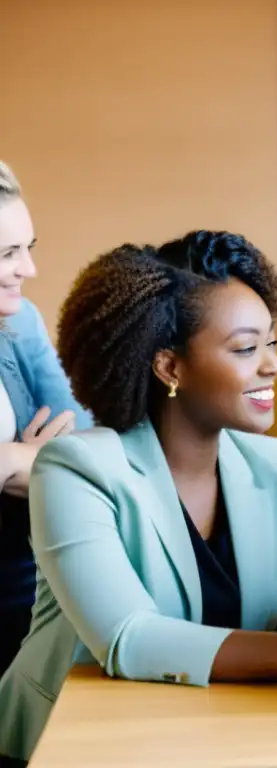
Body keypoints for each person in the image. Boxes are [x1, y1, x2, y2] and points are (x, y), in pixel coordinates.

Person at [0, 232, 277, 765]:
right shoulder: (77, 469)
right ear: (170, 367)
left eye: (271, 344)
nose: (273, 365)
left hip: (217, 735)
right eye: (245, 348)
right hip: (76, 745)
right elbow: (128, 638)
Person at [0, 161, 90, 679]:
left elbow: (83, 445)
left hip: (25, 594)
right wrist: (22, 456)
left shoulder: (20, 319)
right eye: (8, 253)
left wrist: (17, 458)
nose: (28, 269)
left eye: (27, 247)